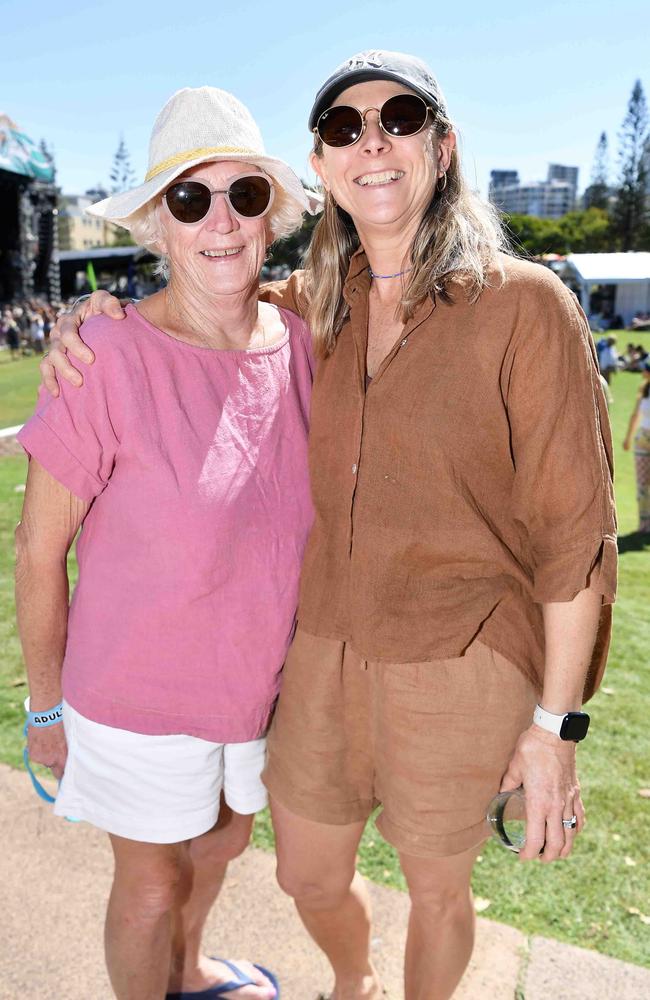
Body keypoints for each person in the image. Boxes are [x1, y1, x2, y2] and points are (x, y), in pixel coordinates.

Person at [42, 51, 616, 1000]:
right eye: (344, 128)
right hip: (321, 654)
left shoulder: (525, 306)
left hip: (462, 653)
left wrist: (554, 731)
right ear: (323, 165)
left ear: (444, 146)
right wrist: (91, 317)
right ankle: (355, 978)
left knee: (438, 892)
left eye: (399, 117)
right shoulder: (319, 306)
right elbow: (199, 305)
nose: (372, 142)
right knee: (302, 870)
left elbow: (575, 542)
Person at [17, 85, 318, 1000]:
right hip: (136, 693)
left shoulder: (304, 345)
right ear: (158, 223)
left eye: (244, 195)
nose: (220, 221)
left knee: (225, 841)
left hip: (260, 686)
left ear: (272, 217)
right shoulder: (104, 355)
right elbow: (38, 552)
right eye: (191, 199)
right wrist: (43, 709)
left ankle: (186, 975)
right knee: (150, 882)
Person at [623, 361, 650, 533]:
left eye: (645, 370)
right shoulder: (643, 392)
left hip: (643, 439)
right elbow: (635, 416)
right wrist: (628, 438)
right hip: (642, 440)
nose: (643, 372)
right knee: (642, 484)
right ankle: (645, 525)